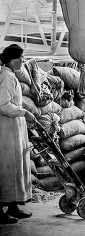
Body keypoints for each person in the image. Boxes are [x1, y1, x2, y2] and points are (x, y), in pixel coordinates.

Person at [0, 44, 36, 225]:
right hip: (7, 132)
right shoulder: (6, 77)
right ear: (14, 59)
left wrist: (24, 113)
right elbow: (3, 104)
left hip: (14, 130)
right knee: (6, 170)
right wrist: (24, 113)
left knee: (15, 169)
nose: (23, 61)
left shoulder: (10, 76)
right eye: (22, 58)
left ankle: (13, 206)